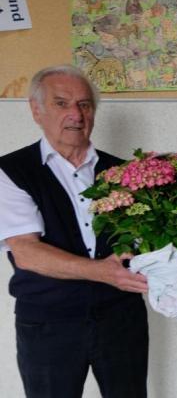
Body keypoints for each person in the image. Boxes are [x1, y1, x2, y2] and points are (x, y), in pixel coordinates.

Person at [0, 65, 149, 397]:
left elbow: (146, 240)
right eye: (61, 103)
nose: (75, 114)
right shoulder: (11, 171)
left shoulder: (125, 171)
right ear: (36, 110)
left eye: (84, 104)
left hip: (121, 318)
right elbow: (26, 252)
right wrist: (103, 272)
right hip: (48, 323)